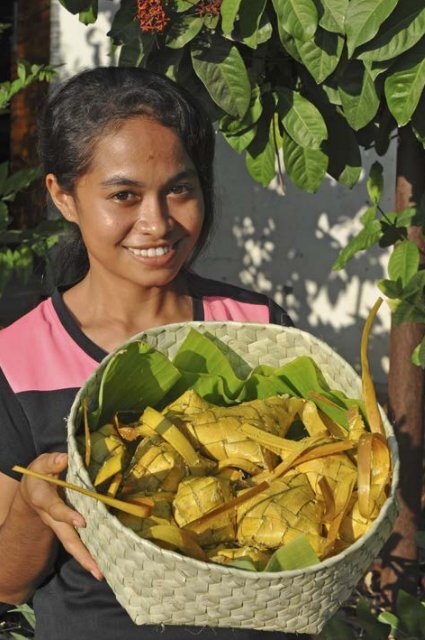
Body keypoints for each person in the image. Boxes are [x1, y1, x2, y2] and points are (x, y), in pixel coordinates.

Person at [0, 67, 297, 640]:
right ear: (63, 196)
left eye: (179, 190)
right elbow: (8, 586)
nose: (156, 222)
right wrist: (36, 506)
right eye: (123, 195)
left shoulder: (257, 329)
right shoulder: (18, 361)